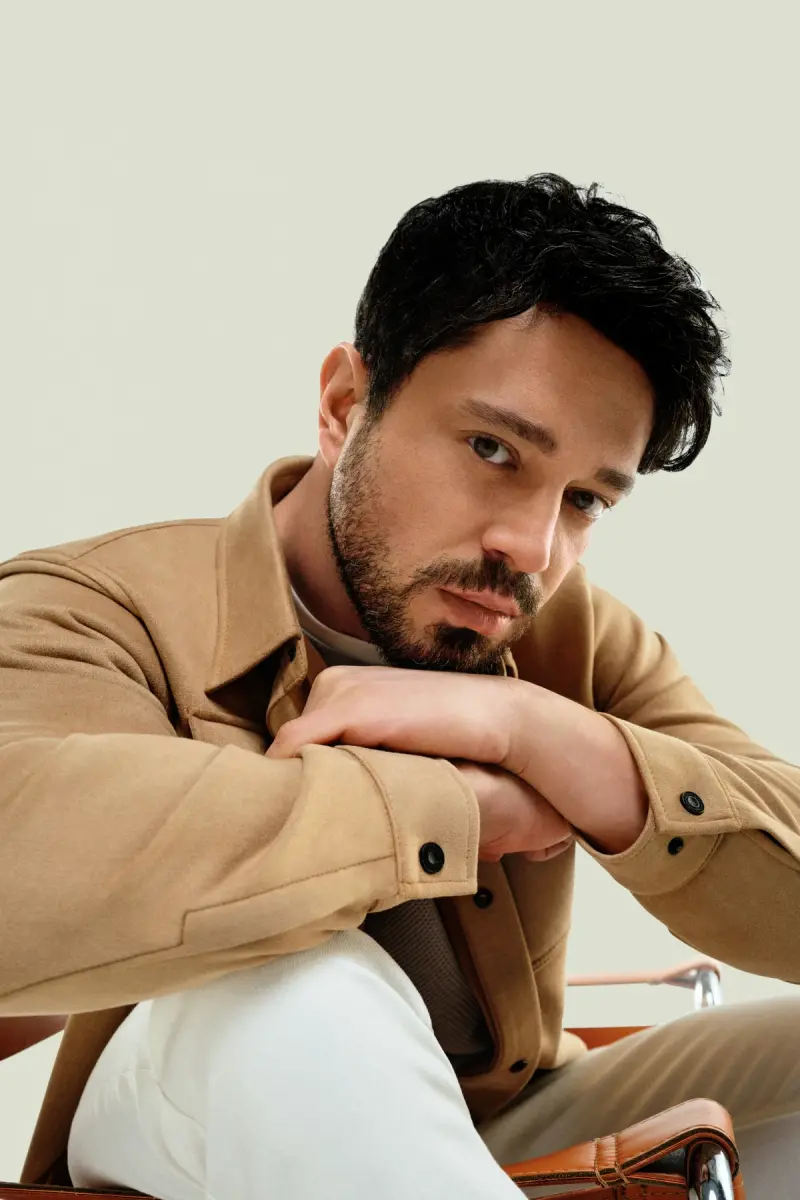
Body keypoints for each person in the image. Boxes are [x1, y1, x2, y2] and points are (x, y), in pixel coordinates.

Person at [2, 173, 798, 1200]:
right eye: (492, 449)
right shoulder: (97, 609)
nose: (532, 546)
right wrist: (456, 806)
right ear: (345, 405)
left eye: (585, 500)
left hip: (491, 1128)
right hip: (184, 1126)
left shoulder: (571, 637)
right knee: (290, 980)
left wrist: (536, 733)